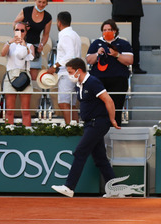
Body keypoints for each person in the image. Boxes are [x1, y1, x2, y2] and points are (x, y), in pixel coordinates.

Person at [50, 57, 121, 198]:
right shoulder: (79, 85)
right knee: (100, 159)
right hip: (90, 124)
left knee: (80, 152)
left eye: (70, 72)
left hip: (98, 123)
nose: (70, 75)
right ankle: (116, 190)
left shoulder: (93, 82)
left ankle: (69, 187)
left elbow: (109, 100)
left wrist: (112, 119)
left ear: (79, 70)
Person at [1, 22, 36, 127]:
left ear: (26, 32)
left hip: (24, 75)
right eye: (17, 30)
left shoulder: (29, 45)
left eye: (22, 30)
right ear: (14, 31)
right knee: (9, 109)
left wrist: (24, 45)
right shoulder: (9, 44)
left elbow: (32, 56)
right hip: (10, 75)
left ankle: (26, 132)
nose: (19, 32)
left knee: (25, 110)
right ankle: (8, 131)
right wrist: (10, 42)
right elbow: (3, 53)